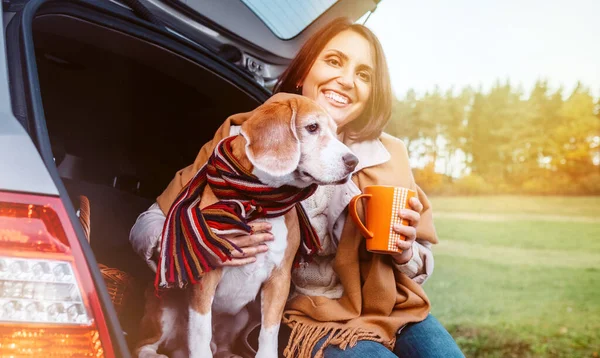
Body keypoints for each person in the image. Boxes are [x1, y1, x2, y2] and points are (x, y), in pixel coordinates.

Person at [130, 17, 464, 358]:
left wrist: (406, 253)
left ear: (371, 92)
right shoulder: (241, 138)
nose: (347, 80)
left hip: (389, 309)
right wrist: (200, 239)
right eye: (334, 61)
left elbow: (422, 256)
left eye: (364, 75)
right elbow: (149, 224)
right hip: (308, 316)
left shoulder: (392, 154)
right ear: (304, 72)